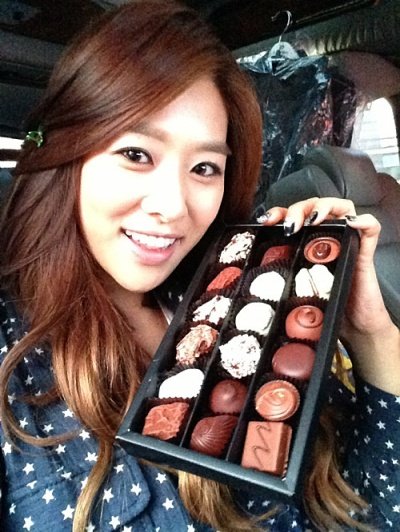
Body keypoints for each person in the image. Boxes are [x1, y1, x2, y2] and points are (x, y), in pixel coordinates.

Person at [0, 1, 399, 531]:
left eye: (205, 167)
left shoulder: (248, 300)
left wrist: (370, 335)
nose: (173, 207)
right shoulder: (11, 358)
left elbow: (372, 508)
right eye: (136, 154)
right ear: (67, 153)